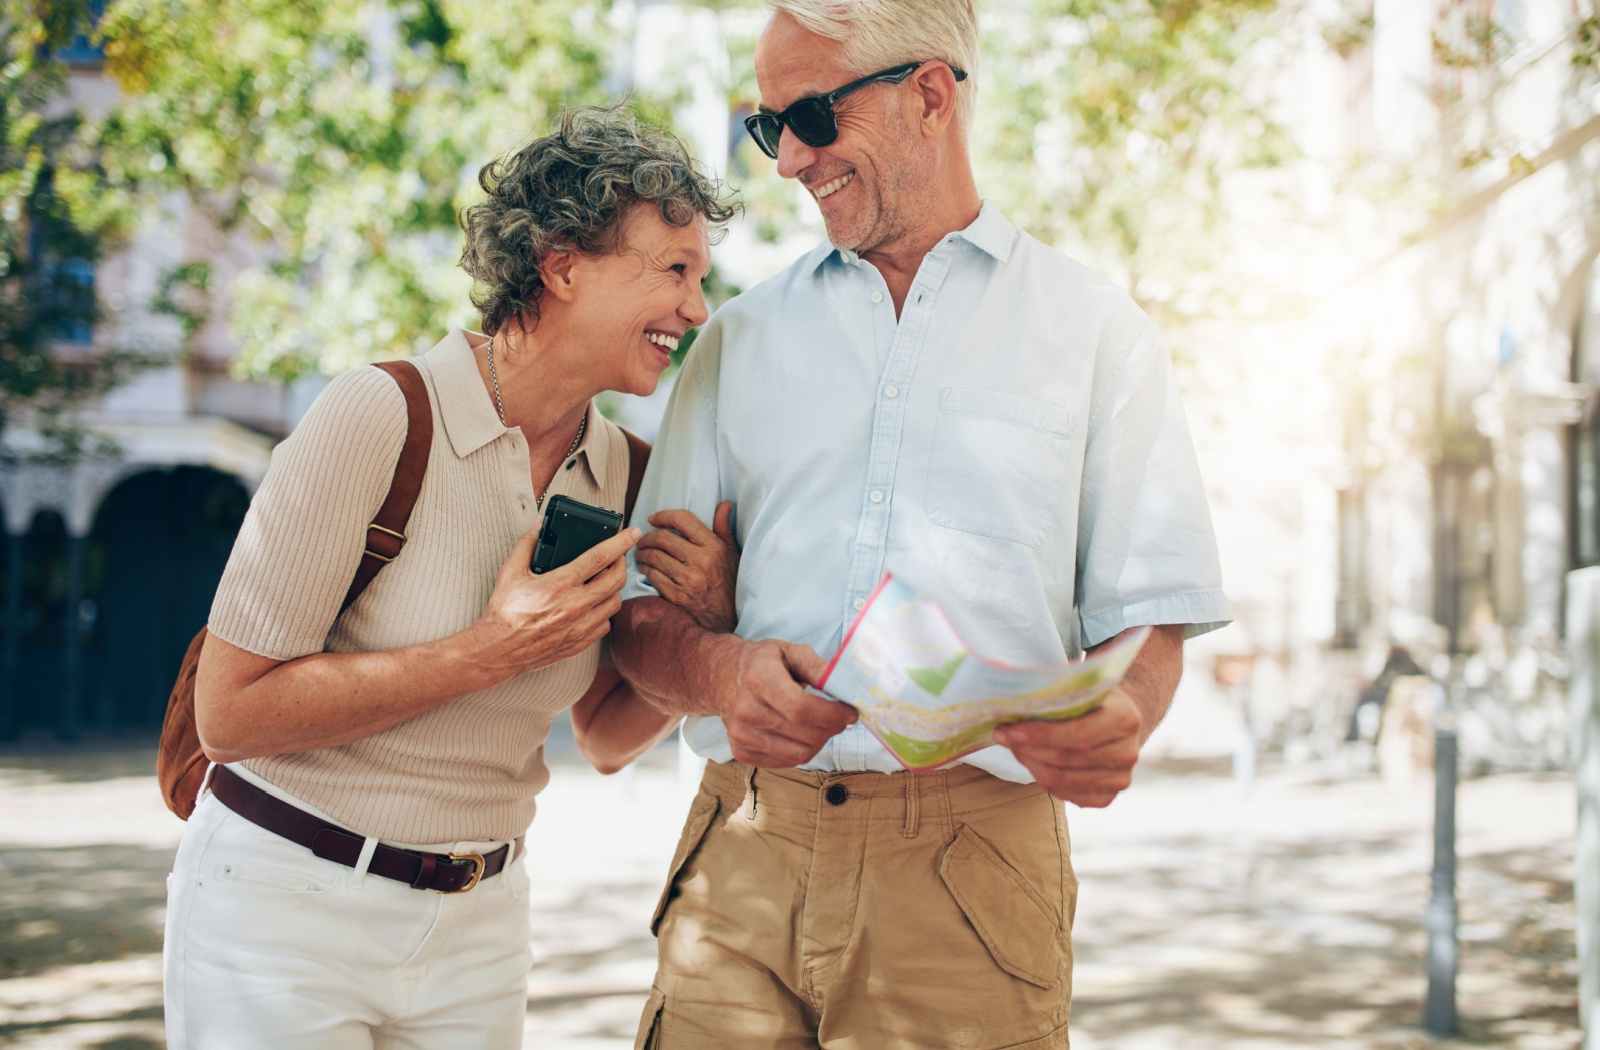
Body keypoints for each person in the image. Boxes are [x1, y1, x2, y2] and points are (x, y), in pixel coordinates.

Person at [609, 2, 1234, 1046]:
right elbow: (635, 624)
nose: (788, 159)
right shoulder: (736, 343)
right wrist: (719, 674)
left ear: (930, 94)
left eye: (808, 115)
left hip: (970, 878)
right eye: (769, 128)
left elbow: (1150, 622)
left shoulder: (1097, 335)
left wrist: (1125, 715)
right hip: (743, 855)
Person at [162, 105, 740, 1050]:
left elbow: (600, 734)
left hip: (480, 924)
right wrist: (485, 652)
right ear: (562, 266)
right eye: (673, 272)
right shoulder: (381, 417)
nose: (695, 308)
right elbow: (230, 714)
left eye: (699, 278)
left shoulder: (627, 475)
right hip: (281, 910)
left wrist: (709, 625)